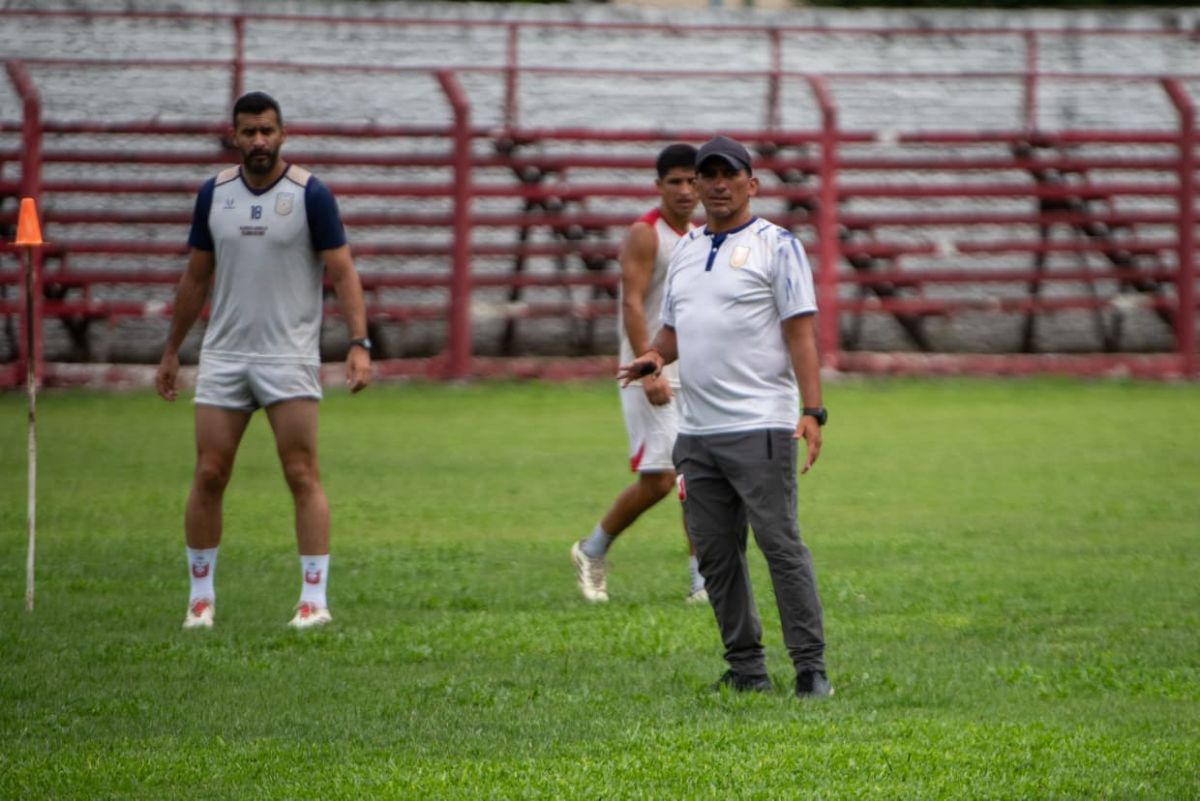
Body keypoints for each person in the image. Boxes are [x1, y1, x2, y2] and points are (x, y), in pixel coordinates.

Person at [618, 136, 832, 698]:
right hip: (696, 432)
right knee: (715, 555)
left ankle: (810, 670)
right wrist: (654, 356)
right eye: (706, 175)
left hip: (760, 426)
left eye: (728, 174)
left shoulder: (777, 246)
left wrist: (813, 411)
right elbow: (675, 328)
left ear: (750, 184)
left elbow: (801, 334)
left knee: (779, 546)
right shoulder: (686, 250)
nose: (716, 184)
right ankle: (746, 670)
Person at [155, 91, 371, 631]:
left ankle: (313, 601)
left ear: (282, 135)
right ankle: (200, 600)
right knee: (209, 473)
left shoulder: (310, 194)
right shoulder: (214, 194)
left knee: (301, 473)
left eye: (267, 131)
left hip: (287, 356)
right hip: (224, 356)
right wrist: (171, 349)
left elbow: (343, 272)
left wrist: (359, 343)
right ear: (234, 136)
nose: (258, 141)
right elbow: (196, 277)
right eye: (249, 132)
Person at [570, 144, 707, 604]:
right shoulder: (645, 234)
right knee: (664, 478)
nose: (685, 190)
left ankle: (701, 580)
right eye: (675, 182)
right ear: (658, 186)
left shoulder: (699, 235)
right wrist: (649, 368)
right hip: (647, 369)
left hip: (690, 369)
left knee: (694, 475)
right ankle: (592, 550)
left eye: (692, 181)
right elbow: (631, 302)